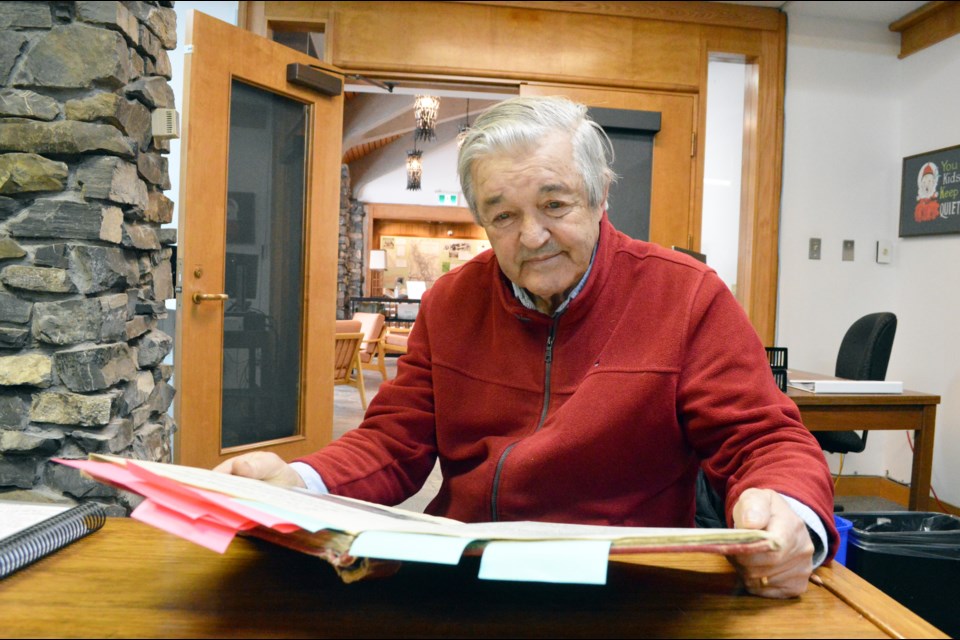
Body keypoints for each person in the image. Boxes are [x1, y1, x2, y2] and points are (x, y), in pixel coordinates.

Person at [216, 96, 838, 598]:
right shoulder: (452, 301)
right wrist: (300, 480)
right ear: (481, 222)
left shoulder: (687, 296)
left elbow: (765, 440)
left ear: (600, 197)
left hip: (630, 585)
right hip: (468, 575)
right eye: (503, 215)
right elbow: (394, 441)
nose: (533, 236)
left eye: (554, 204)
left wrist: (785, 509)